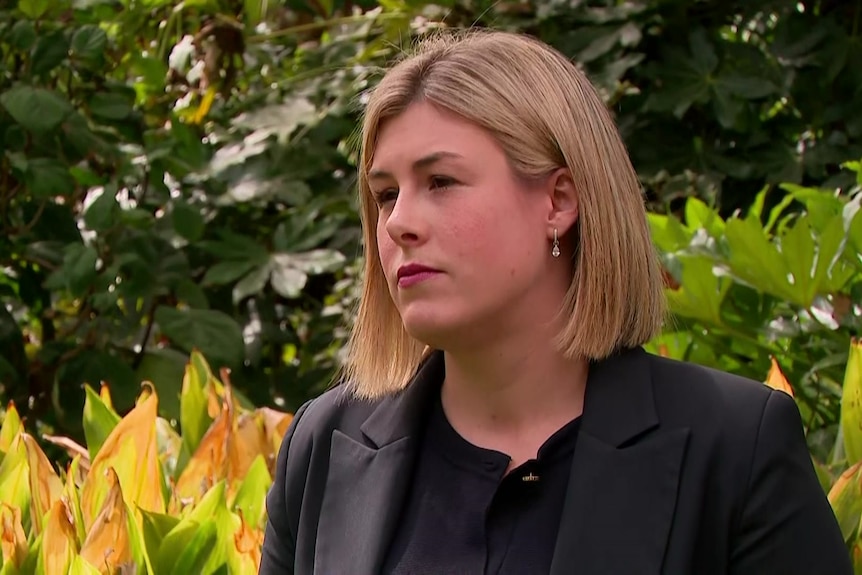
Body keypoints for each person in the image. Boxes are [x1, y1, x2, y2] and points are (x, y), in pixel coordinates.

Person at [259, 29, 851, 574]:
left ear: (558, 201)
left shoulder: (733, 447)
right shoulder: (323, 446)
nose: (399, 223)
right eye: (386, 195)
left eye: (440, 182)